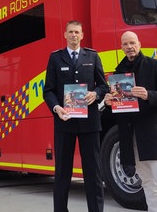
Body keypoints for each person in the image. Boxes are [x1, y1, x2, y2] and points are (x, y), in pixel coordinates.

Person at [104, 31, 157, 212]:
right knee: (147, 183)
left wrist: (149, 95)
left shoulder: (155, 65)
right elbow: (119, 108)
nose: (129, 47)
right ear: (121, 47)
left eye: (132, 43)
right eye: (125, 44)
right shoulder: (118, 74)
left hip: (153, 134)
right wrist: (108, 103)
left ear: (139, 44)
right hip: (130, 137)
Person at [43, 20, 109, 212]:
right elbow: (48, 91)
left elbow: (103, 85)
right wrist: (57, 108)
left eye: (77, 32)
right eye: (70, 32)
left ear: (82, 35)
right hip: (64, 122)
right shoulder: (56, 58)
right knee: (62, 172)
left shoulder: (93, 56)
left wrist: (95, 94)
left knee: (93, 172)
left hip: (90, 123)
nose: (74, 35)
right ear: (65, 35)